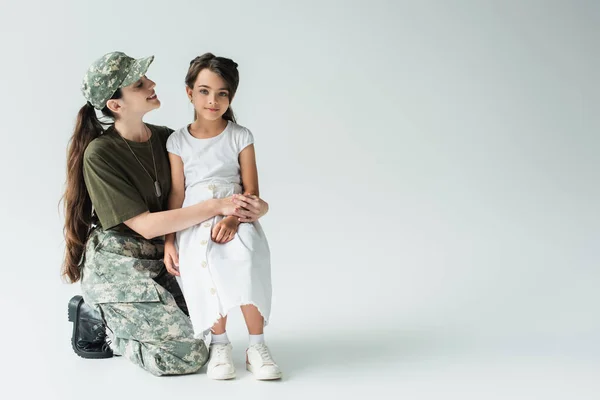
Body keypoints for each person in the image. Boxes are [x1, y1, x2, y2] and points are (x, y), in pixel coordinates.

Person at [61, 51, 269, 376]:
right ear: (116, 105)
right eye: (139, 83)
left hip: (162, 258)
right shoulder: (100, 154)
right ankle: (103, 322)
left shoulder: (167, 139)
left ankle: (121, 313)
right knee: (186, 356)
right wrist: (217, 206)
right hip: (121, 265)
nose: (152, 83)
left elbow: (205, 185)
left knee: (206, 319)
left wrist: (249, 207)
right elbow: (145, 225)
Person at [164, 53, 281, 381]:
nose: (212, 100)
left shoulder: (240, 136)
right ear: (189, 93)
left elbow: (251, 189)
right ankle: (219, 344)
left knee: (246, 259)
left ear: (231, 96)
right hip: (193, 220)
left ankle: (256, 345)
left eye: (221, 93)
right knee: (204, 265)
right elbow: (176, 194)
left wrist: (234, 220)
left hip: (236, 217)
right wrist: (169, 240)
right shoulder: (177, 141)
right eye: (204, 91)